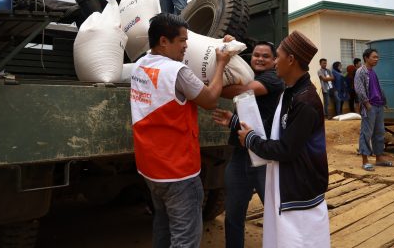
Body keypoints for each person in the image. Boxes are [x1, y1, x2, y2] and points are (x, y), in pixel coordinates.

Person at [130, 13, 232, 248]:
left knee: (163, 226)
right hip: (178, 172)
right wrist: (221, 64)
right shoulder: (177, 72)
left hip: (150, 168)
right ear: (164, 41)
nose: (186, 46)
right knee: (184, 239)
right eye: (182, 41)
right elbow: (210, 100)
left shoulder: (140, 65)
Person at [238, 30, 329, 248]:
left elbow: (287, 149)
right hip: (286, 183)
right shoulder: (290, 93)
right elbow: (275, 132)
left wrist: (250, 140)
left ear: (291, 60)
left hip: (299, 192)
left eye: (277, 56)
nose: (274, 62)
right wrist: (236, 124)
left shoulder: (305, 101)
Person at [211, 42, 284, 248]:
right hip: (241, 155)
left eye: (265, 56)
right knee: (233, 214)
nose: (259, 59)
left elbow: (242, 90)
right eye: (256, 55)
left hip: (263, 157)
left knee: (275, 212)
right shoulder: (251, 74)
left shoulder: (273, 79)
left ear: (274, 61)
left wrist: (215, 83)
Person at [354, 48, 393, 171]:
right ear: (366, 58)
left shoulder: (373, 72)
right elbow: (359, 89)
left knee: (379, 132)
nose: (377, 59)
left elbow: (377, 88)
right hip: (369, 106)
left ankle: (379, 158)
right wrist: (367, 104)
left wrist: (384, 102)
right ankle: (365, 161)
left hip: (378, 106)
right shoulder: (361, 72)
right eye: (374, 57)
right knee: (366, 133)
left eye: (377, 57)